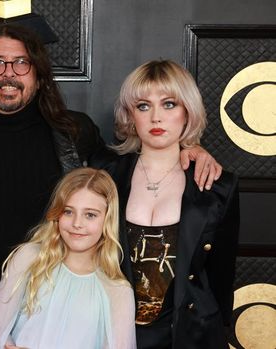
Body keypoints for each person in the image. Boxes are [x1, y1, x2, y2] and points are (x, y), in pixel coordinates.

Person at [0, 23, 222, 348]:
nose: (8, 73)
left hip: (56, 323)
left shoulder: (75, 135)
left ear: (38, 75)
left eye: (21, 63)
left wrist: (189, 147)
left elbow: (134, 164)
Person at [94, 60, 239, 348]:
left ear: (188, 112)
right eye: (144, 106)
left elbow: (222, 275)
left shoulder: (219, 186)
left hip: (191, 334)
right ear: (130, 115)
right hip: (113, 331)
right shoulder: (104, 174)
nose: (156, 118)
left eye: (169, 104)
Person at [0, 168, 136, 349]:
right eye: (68, 212)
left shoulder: (118, 291)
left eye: (90, 215)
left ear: (107, 219)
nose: (77, 224)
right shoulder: (29, 258)